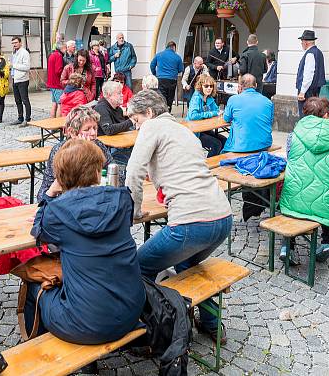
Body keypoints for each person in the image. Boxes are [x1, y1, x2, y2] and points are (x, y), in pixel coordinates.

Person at [125, 89, 233, 343]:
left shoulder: (152, 127)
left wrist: (135, 210)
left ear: (149, 113)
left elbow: (133, 173)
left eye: (135, 120)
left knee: (138, 265)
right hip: (222, 217)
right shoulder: (184, 129)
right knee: (188, 266)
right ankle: (212, 324)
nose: (135, 126)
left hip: (191, 222)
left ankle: (148, 330)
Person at [26, 139, 144, 344]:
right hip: (131, 311)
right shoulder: (123, 199)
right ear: (98, 172)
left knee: (34, 285)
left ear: (61, 177)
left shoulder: (57, 211)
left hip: (85, 325)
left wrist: (51, 192)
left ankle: (38, 349)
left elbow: (39, 230)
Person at [280, 97, 329, 262]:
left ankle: (288, 247)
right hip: (328, 205)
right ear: (327, 116)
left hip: (294, 200)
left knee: (295, 197)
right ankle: (328, 243)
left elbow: (292, 163)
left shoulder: (293, 136)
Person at [37, 106, 113, 203]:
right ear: (72, 133)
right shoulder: (61, 151)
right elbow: (43, 194)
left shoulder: (98, 145)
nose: (93, 133)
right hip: (67, 204)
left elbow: (116, 175)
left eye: (95, 128)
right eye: (87, 130)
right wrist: (84, 152)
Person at [222, 74, 273, 154]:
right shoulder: (268, 101)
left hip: (241, 147)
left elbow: (226, 118)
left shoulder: (233, 99)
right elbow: (269, 121)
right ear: (256, 85)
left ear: (240, 86)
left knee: (221, 151)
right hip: (264, 145)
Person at [95, 80, 135, 166]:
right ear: (109, 95)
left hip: (117, 144)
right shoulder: (101, 108)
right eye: (119, 93)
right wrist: (131, 121)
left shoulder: (118, 109)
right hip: (104, 148)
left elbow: (123, 127)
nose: (122, 95)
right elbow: (108, 130)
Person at [186, 74, 226, 157]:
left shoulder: (209, 98)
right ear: (201, 86)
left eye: (211, 86)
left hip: (205, 128)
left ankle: (218, 163)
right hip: (194, 131)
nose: (209, 88)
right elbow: (193, 116)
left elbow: (217, 110)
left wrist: (217, 113)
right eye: (206, 86)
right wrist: (211, 114)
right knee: (216, 144)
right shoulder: (196, 98)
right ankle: (207, 166)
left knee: (225, 140)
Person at [296, 30, 326, 115]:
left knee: (305, 114)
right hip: (314, 89)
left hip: (308, 90)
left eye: (302, 41)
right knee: (314, 112)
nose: (301, 44)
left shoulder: (310, 54)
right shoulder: (318, 52)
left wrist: (302, 91)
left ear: (306, 42)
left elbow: (308, 74)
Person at [150, 41, 184, 109]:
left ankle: (163, 112)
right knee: (170, 97)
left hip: (161, 79)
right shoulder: (177, 57)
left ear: (167, 47)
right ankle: (168, 111)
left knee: (162, 96)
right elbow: (181, 69)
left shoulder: (158, 55)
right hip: (172, 79)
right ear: (174, 47)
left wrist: (155, 74)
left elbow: (152, 65)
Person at [9, 36, 32, 125]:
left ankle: (27, 118)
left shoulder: (24, 53)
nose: (14, 44)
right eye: (13, 43)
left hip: (22, 80)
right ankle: (20, 118)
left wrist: (13, 65)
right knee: (17, 100)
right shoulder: (14, 53)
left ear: (20, 43)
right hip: (15, 78)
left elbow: (27, 67)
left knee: (25, 100)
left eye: (16, 42)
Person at [47, 41, 66, 117]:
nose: (66, 49)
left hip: (51, 83)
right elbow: (58, 71)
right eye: (65, 47)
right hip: (57, 84)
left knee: (54, 104)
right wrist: (65, 72)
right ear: (61, 48)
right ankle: (58, 125)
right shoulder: (59, 56)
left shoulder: (52, 54)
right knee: (60, 104)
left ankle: (52, 123)